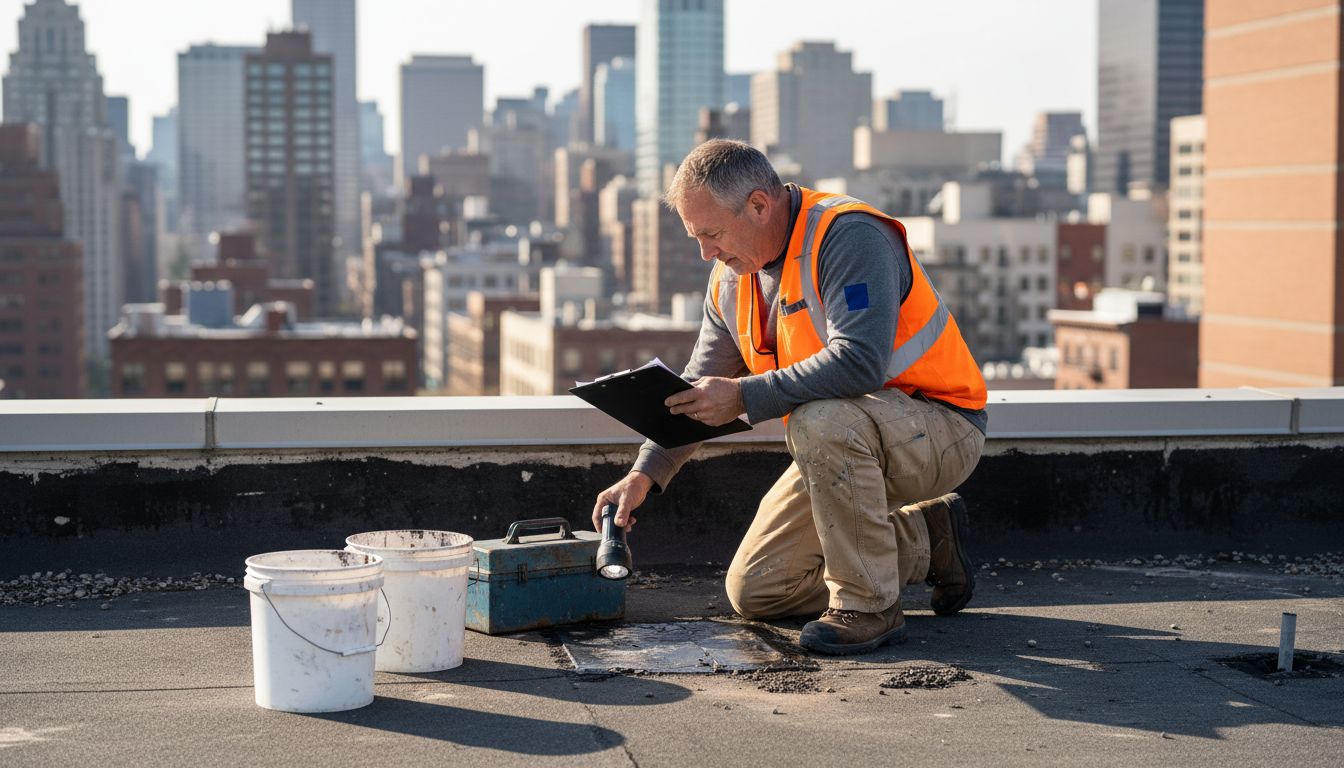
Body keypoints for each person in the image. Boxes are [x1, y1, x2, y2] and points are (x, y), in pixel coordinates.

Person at [591, 140, 988, 655]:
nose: (705, 252)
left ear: (759, 204)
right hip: (841, 440)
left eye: (711, 234)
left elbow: (859, 362)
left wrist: (742, 397)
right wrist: (644, 475)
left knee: (819, 420)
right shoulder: (731, 280)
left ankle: (868, 608)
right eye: (696, 237)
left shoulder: (849, 236)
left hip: (942, 428)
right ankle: (928, 540)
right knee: (758, 589)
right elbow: (696, 391)